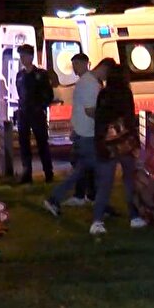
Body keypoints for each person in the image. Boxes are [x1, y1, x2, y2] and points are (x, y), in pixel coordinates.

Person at [42, 55, 115, 235]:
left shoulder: (85, 82)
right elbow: (90, 111)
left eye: (75, 65)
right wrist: (108, 121)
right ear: (105, 69)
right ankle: (99, 213)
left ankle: (56, 198)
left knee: (82, 171)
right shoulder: (90, 84)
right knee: (102, 173)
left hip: (83, 134)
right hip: (88, 135)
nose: (74, 68)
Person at [95, 59, 144, 229]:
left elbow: (99, 119)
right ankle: (134, 216)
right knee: (130, 180)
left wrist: (100, 142)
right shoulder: (125, 93)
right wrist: (135, 142)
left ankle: (97, 221)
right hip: (123, 143)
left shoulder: (103, 93)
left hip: (107, 142)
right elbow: (129, 119)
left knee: (105, 183)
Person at [15, 44, 55, 184]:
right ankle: (27, 174)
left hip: (37, 114)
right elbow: (20, 94)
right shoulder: (20, 75)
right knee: (24, 144)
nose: (22, 59)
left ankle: (48, 173)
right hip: (24, 113)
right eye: (20, 56)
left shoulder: (41, 75)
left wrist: (40, 106)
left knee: (42, 144)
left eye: (24, 55)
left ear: (31, 57)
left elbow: (49, 94)